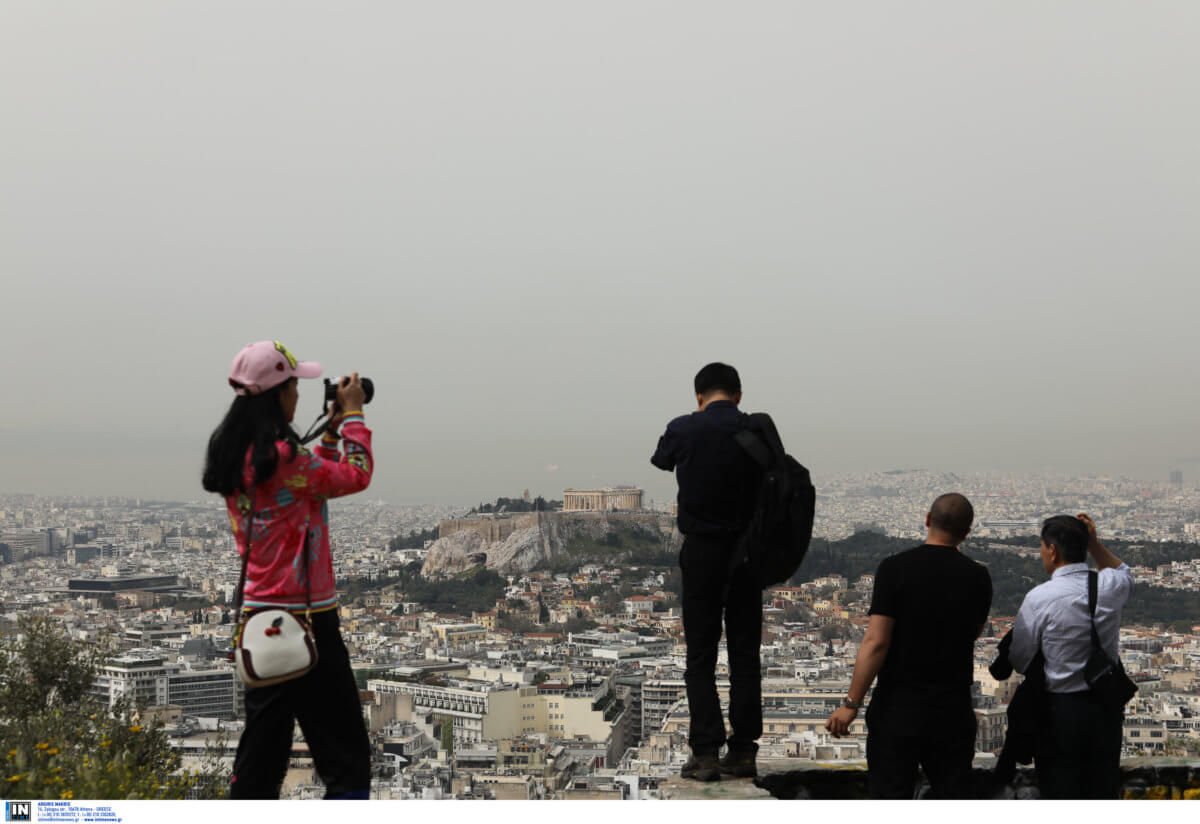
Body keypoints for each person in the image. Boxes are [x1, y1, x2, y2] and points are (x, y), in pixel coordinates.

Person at [202, 340, 373, 799]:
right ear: (278, 394)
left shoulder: (240, 458)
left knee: (261, 760)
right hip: (308, 618)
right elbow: (355, 475)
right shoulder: (285, 458)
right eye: (294, 385)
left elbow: (313, 483)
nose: (298, 394)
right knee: (347, 762)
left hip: (258, 621)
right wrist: (354, 415)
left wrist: (330, 432)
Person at [825, 493, 992, 799]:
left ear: (927, 519)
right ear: (967, 533)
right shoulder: (978, 576)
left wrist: (851, 704)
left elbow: (876, 641)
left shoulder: (895, 568)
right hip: (952, 710)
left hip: (898, 708)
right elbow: (975, 633)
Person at [651, 362, 767, 781]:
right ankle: (743, 751)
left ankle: (705, 754)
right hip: (748, 556)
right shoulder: (757, 430)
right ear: (738, 395)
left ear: (699, 396)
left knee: (700, 655)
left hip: (702, 553)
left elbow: (662, 460)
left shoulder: (685, 428)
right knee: (744, 653)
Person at [1007, 514, 1133, 799]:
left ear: (1052, 551)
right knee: (1101, 794)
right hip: (1105, 711)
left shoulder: (1039, 598)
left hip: (1058, 715)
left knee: (1059, 794)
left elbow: (1020, 659)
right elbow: (1124, 571)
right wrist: (1095, 544)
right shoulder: (1110, 586)